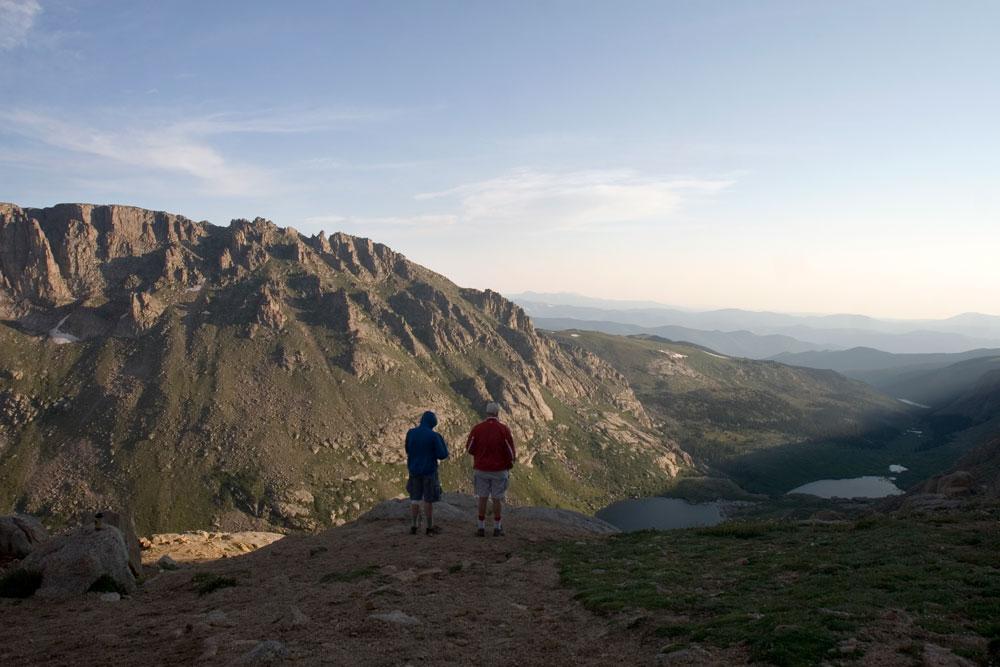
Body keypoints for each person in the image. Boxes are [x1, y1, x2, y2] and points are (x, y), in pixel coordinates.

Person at [465, 402, 516, 537]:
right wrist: (509, 462)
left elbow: (469, 448)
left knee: (482, 498)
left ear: (486, 413)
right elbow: (510, 451)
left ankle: (481, 527)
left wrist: (480, 455)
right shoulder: (504, 429)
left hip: (481, 469)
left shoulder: (477, 429)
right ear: (497, 413)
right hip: (499, 470)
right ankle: (497, 528)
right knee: (497, 499)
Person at [405, 411, 449, 535]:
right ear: (433, 423)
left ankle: (414, 526)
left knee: (414, 499)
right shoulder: (434, 436)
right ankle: (429, 527)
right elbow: (442, 455)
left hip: (414, 470)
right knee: (428, 500)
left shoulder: (411, 433)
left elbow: (407, 449)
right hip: (429, 471)